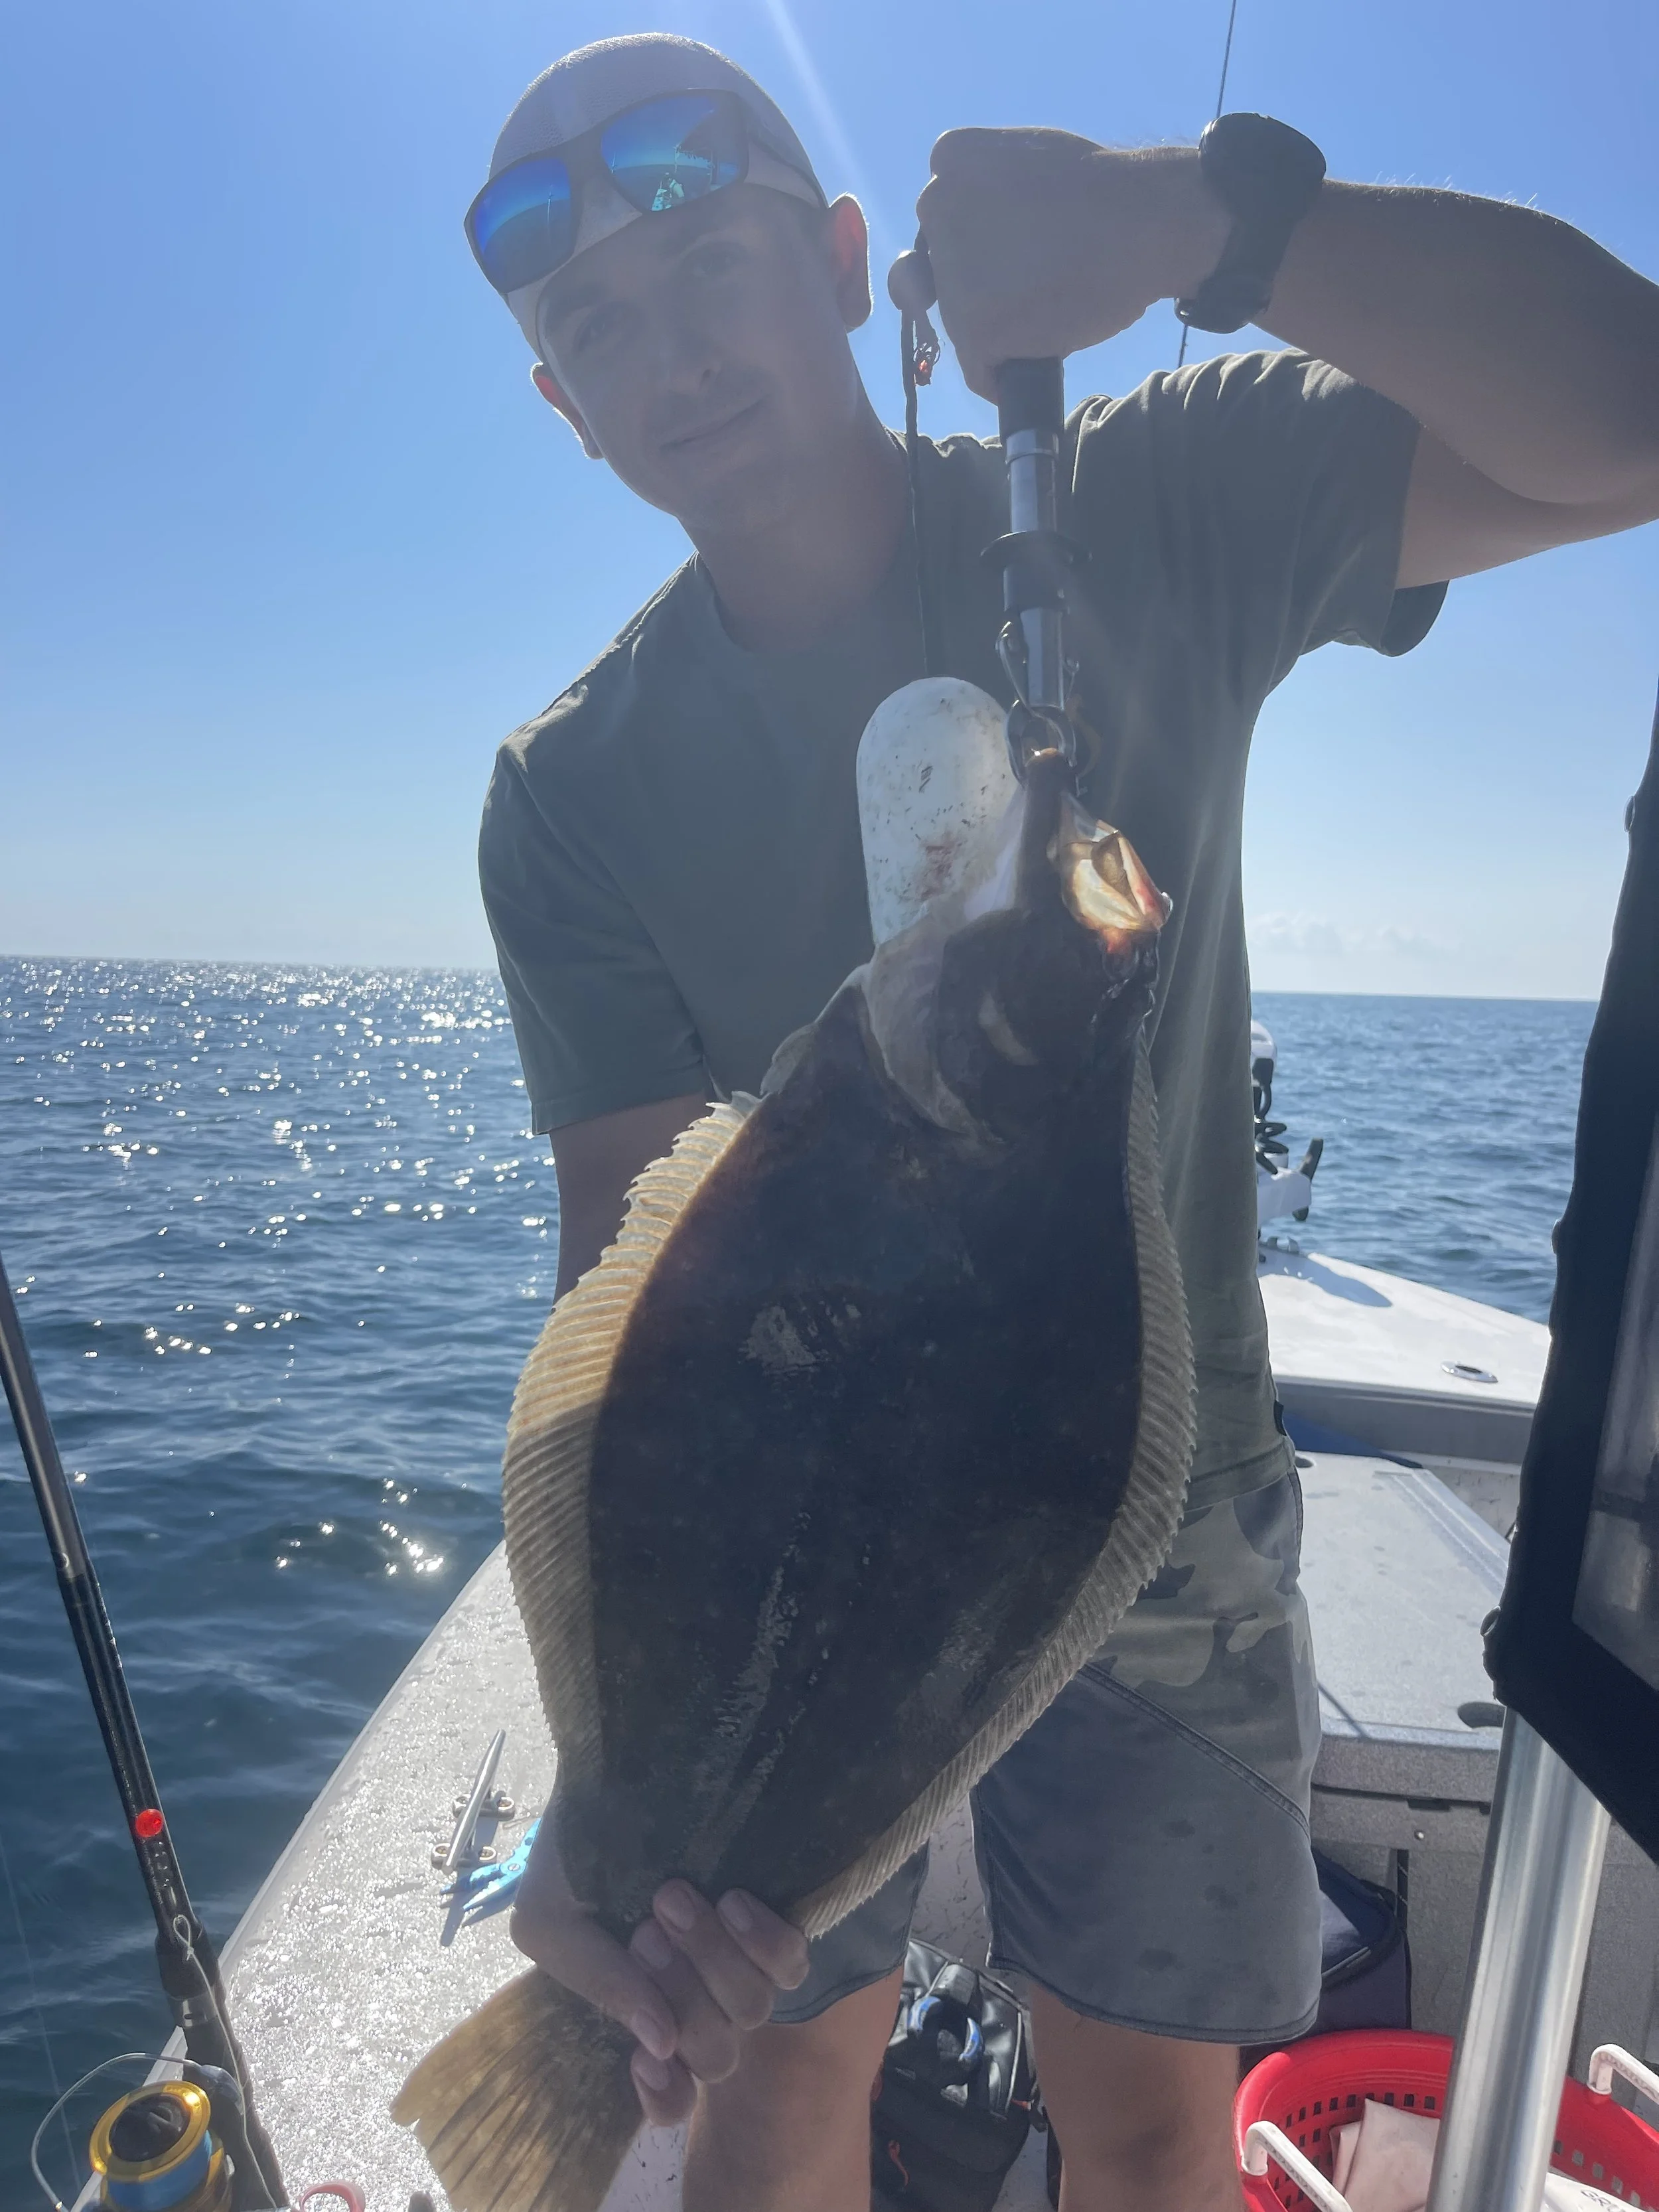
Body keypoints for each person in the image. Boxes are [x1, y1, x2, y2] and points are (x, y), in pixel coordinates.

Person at [469, 34, 1659, 2212]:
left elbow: (1633, 411)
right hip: (790, 1537)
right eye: (592, 328)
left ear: (849, 264)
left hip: (1150, 1482)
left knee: (1146, 2116)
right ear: (557, 399)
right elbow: (617, 1275)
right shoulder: (570, 789)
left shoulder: (1139, 497)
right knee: (755, 2076)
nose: (665, 352)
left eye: (707, 262)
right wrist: (607, 1779)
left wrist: (1220, 224)